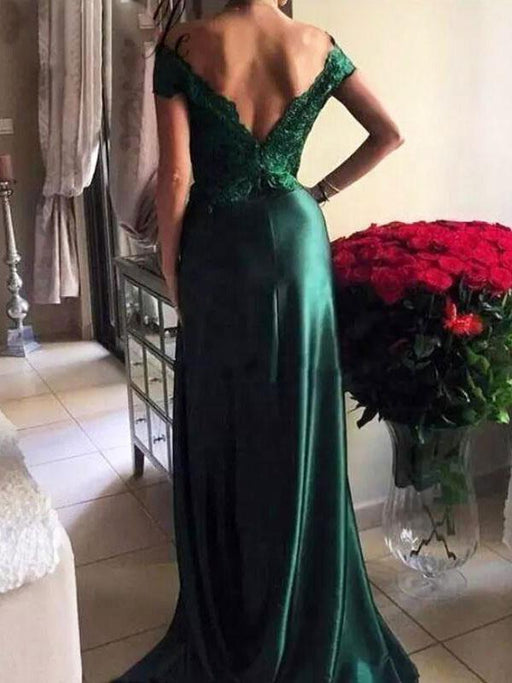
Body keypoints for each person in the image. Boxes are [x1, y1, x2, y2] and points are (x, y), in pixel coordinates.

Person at [113, 0, 419, 681]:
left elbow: (175, 177)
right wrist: (317, 192)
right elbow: (389, 133)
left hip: (220, 249)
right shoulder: (317, 42)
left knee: (226, 424)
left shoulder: (186, 45)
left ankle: (238, 608)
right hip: (298, 238)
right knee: (296, 418)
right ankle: (307, 607)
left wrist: (172, 268)